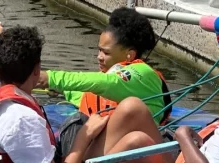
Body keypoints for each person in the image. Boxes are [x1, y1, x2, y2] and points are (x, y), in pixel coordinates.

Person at [0, 20, 170, 163]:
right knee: (137, 137)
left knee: (132, 115)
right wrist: (85, 135)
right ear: (37, 70)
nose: (99, 56)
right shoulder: (23, 120)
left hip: (64, 160)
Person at [38, 7, 172, 122]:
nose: (99, 57)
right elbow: (85, 96)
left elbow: (106, 83)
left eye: (106, 53)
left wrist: (51, 78)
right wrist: (61, 88)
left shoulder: (142, 74)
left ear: (129, 55)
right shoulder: (111, 75)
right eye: (99, 50)